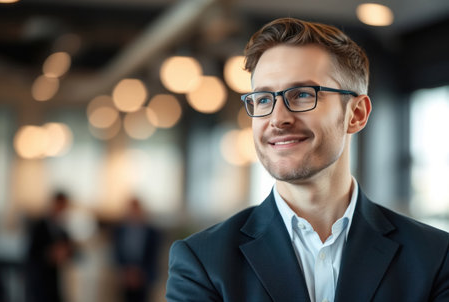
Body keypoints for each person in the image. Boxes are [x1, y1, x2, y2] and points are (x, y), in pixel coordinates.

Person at [165, 18, 449, 302]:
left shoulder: (435, 257)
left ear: (357, 114)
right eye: (263, 99)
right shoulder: (202, 262)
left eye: (301, 94)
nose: (277, 119)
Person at [25, 191, 75, 302]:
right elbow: (30, 253)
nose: (61, 211)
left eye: (64, 208)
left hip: (56, 281)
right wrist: (49, 254)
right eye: (59, 206)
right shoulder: (38, 226)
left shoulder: (62, 230)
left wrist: (65, 253)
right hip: (40, 282)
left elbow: (72, 251)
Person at [112, 197, 161, 302]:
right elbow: (116, 252)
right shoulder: (119, 231)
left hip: (144, 278)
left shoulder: (152, 232)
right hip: (125, 277)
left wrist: (140, 274)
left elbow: (154, 256)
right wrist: (126, 272)